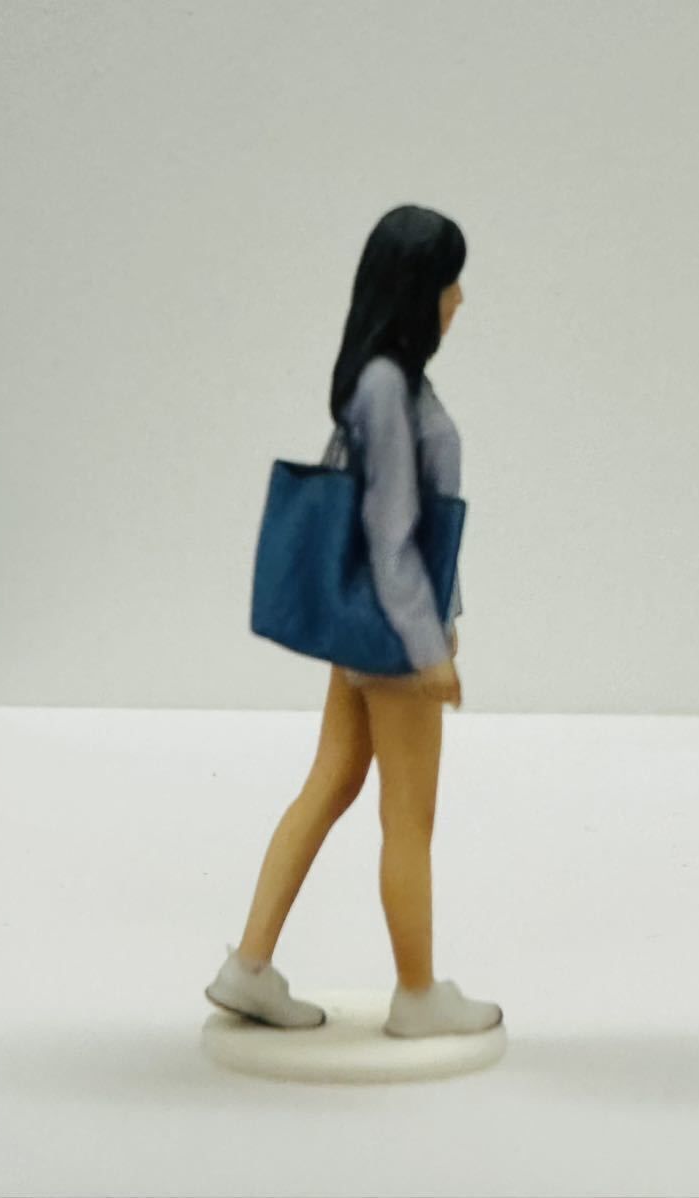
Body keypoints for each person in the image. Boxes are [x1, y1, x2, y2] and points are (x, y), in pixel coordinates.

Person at [205, 205, 503, 1038]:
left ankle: (248, 967)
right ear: (416, 290)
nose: (459, 298)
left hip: (366, 633)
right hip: (393, 641)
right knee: (408, 819)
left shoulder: (382, 379)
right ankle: (418, 995)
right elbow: (390, 532)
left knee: (331, 782)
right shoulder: (385, 388)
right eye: (447, 282)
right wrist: (428, 648)